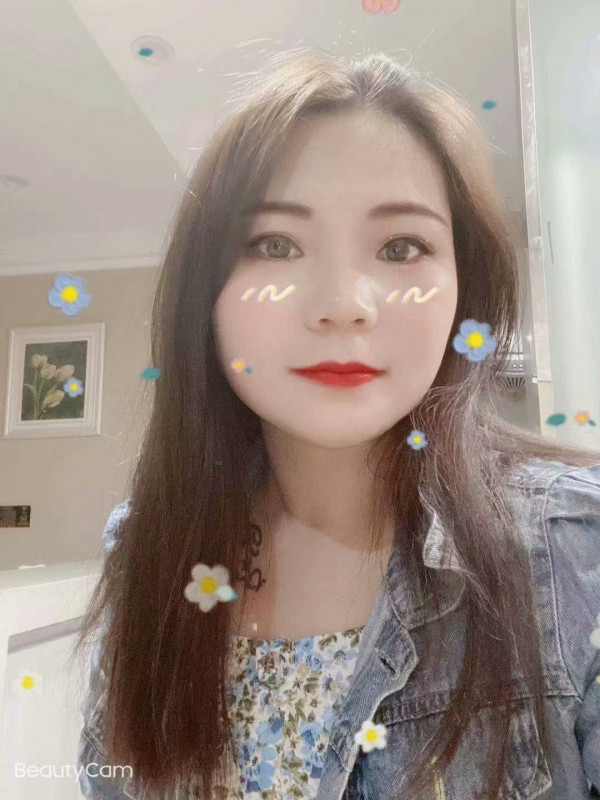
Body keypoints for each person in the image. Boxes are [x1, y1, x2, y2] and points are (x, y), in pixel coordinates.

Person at [74, 47, 600, 800]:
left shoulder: (576, 551)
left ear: (465, 292)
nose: (343, 304)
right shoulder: (146, 552)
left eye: (401, 247)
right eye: (275, 245)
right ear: (205, 293)